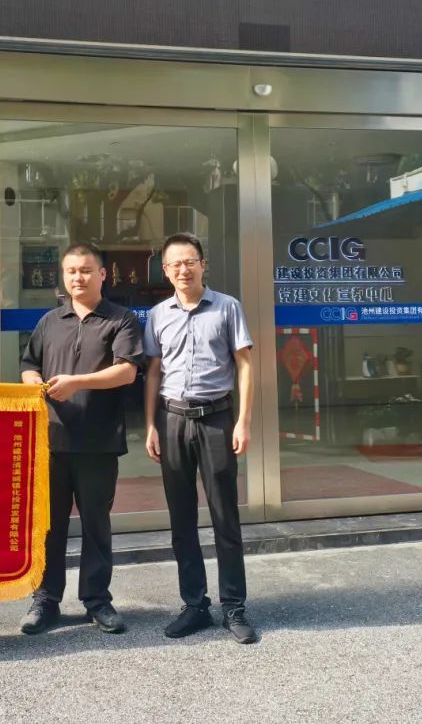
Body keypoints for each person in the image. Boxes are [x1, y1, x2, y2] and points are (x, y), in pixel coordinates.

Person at [19, 242, 143, 635]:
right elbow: (29, 363)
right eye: (71, 271)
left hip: (98, 441)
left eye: (86, 270)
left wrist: (77, 382)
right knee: (48, 526)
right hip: (51, 440)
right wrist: (33, 381)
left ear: (102, 274)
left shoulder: (120, 320)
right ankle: (45, 599)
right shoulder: (50, 321)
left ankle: (97, 599)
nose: (78, 277)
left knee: (95, 524)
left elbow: (126, 371)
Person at [143, 232, 258, 644]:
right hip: (173, 419)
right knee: (181, 518)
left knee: (225, 515)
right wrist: (151, 424)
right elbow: (153, 371)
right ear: (165, 270)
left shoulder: (228, 307)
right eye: (175, 263)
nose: (183, 269)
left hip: (217, 419)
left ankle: (234, 606)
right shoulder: (158, 314)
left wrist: (243, 422)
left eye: (189, 261)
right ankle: (194, 605)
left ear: (203, 264)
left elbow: (245, 365)